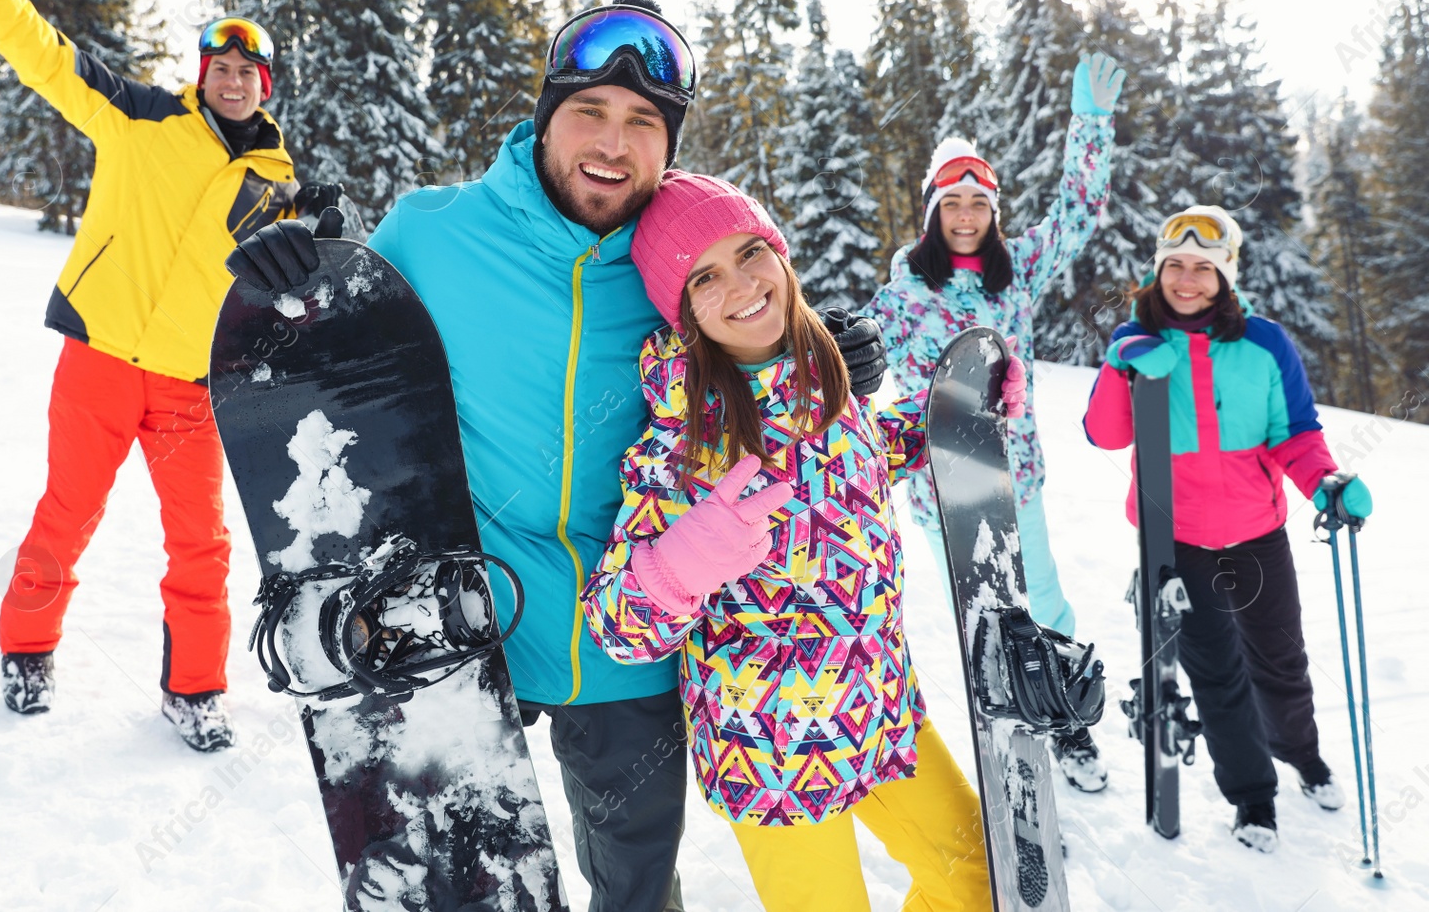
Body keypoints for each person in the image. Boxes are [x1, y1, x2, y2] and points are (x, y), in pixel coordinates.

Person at [227, 0, 890, 911]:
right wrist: (299, 265)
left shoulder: (675, 269)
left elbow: (749, 333)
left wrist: (821, 355)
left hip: (628, 633)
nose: (613, 144)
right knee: (454, 882)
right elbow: (340, 353)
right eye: (591, 111)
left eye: (643, 123)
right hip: (463, 619)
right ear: (546, 113)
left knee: (640, 889)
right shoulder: (432, 230)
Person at [0, 0, 344, 751]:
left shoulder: (278, 186)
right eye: (221, 65)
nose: (234, 78)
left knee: (203, 543)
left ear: (268, 85)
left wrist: (330, 236)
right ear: (201, 73)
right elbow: (44, 54)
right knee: (68, 512)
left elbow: (302, 297)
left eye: (249, 70)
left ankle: (195, 689)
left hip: (190, 384)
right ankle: (26, 648)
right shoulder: (138, 118)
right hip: (99, 359)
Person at [582, 172, 1003, 912]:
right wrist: (680, 562)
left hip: (880, 709)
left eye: (750, 252)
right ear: (682, 311)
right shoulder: (682, 436)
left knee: (979, 875)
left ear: (780, 253)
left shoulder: (825, 378)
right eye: (704, 277)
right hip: (772, 753)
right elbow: (616, 623)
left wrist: (958, 410)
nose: (741, 284)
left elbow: (863, 458)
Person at [865, 51, 1124, 792]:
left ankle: (1066, 718)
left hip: (1018, 479)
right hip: (942, 488)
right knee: (984, 619)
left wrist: (1091, 126)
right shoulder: (907, 290)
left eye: (979, 204)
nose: (968, 216)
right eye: (953, 205)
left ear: (993, 213)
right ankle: (1009, 732)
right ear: (932, 214)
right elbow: (848, 346)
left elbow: (1078, 211)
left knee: (1040, 599)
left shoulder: (1020, 270)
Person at [1082, 203, 1369, 852]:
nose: (1186, 280)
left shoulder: (1264, 343)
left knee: (1281, 660)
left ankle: (1301, 753)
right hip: (1173, 538)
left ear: (1226, 274)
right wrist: (1119, 363)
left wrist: (1325, 483)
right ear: (1158, 272)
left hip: (1256, 530)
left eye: (1203, 267)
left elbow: (1294, 432)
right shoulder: (1139, 342)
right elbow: (1105, 434)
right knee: (1216, 675)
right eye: (1174, 266)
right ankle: (1254, 797)